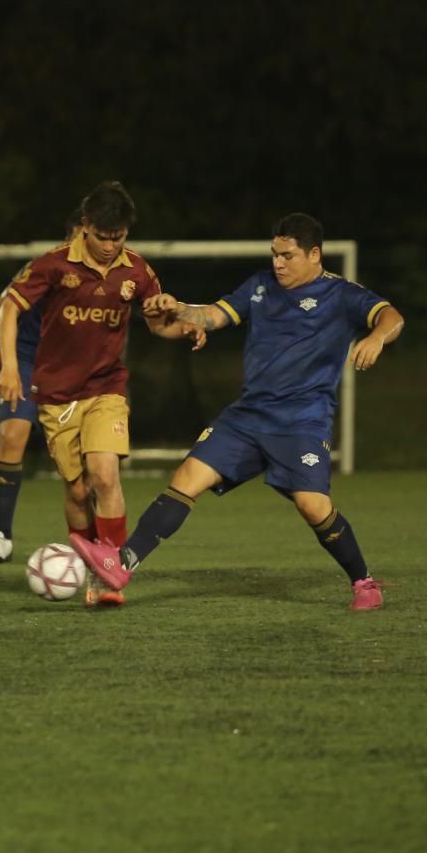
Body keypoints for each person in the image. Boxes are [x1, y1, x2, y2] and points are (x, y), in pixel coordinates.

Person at [68, 212, 403, 611]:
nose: (278, 263)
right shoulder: (261, 286)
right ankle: (122, 564)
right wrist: (176, 308)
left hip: (302, 419)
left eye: (288, 256)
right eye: (274, 254)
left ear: (314, 254)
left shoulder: (344, 294)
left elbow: (391, 316)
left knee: (313, 506)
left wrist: (377, 338)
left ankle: (363, 582)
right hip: (247, 416)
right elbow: (213, 314)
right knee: (186, 478)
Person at [0, 181, 205, 607]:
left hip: (107, 387)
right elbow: (9, 308)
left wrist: (182, 322)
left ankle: (111, 577)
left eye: (119, 237)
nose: (111, 246)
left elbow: (157, 324)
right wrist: (12, 366)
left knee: (105, 476)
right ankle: (92, 569)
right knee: (76, 492)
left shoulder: (138, 272)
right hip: (55, 394)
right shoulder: (53, 265)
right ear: (85, 227)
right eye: (103, 236)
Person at [0, 212, 82, 563]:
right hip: (26, 360)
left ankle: (90, 543)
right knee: (12, 436)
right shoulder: (46, 265)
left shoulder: (110, 273)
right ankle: (2, 536)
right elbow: (6, 301)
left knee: (86, 462)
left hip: (70, 368)